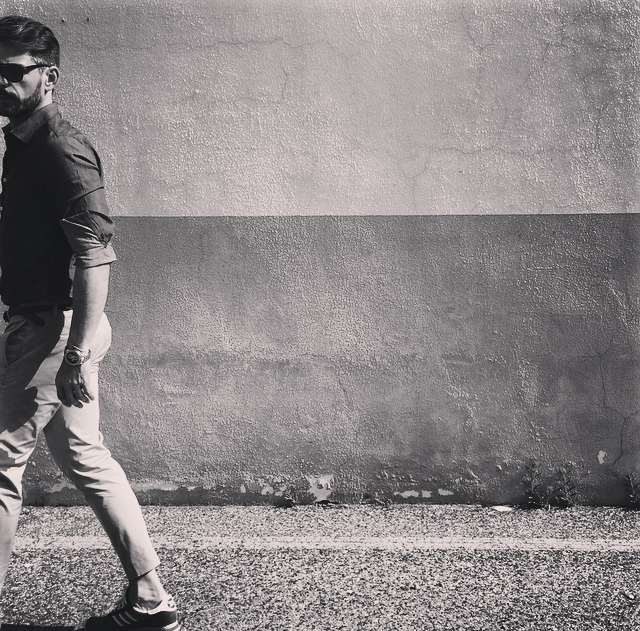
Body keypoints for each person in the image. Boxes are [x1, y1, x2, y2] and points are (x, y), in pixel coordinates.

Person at [0, 15, 182, 631]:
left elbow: (96, 255)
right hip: (54, 326)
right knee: (85, 456)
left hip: (55, 331)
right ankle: (151, 599)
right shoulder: (23, 143)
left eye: (13, 71)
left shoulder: (61, 148)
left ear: (48, 77)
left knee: (1, 464)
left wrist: (74, 354)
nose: (0, 81)